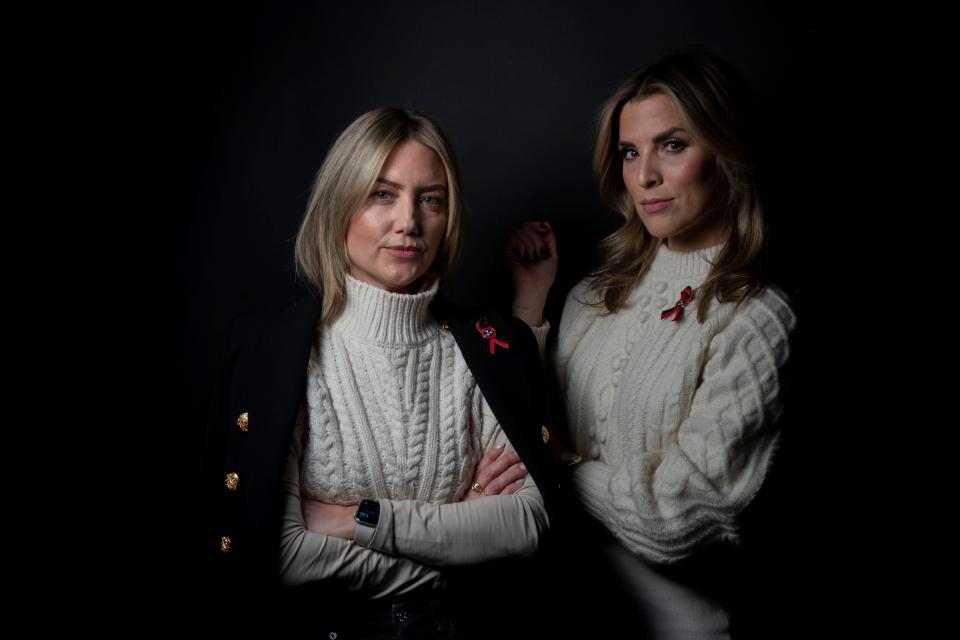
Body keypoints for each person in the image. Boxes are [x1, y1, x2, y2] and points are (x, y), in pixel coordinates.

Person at [201, 107, 555, 638]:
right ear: (340, 204)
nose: (409, 222)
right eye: (381, 194)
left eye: (430, 199)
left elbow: (527, 522)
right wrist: (448, 554)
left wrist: (357, 518)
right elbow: (283, 551)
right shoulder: (277, 356)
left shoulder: (489, 348)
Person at [505, 51, 797, 639]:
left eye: (672, 145)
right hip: (563, 610)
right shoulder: (593, 292)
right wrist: (531, 303)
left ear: (725, 150)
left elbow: (678, 515)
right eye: (631, 152)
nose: (644, 177)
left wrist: (559, 467)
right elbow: (525, 417)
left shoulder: (757, 319)